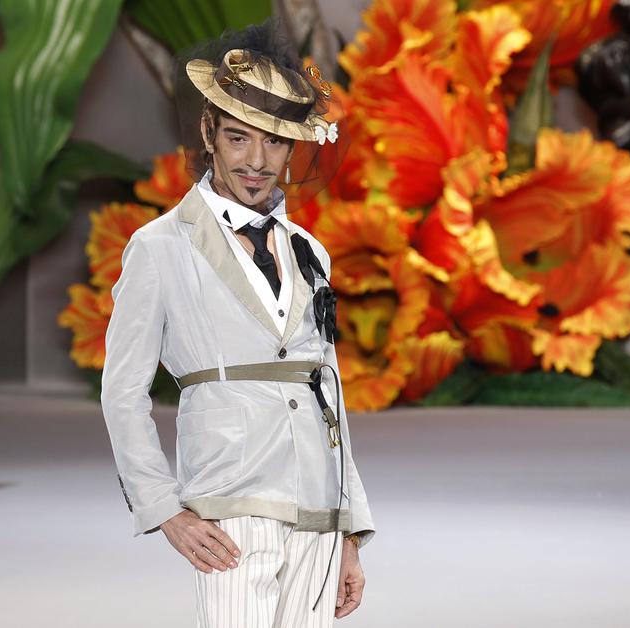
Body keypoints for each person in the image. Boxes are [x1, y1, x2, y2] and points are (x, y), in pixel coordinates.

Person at [101, 22, 373, 628]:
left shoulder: (310, 252)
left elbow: (328, 388)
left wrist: (351, 527)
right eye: (238, 137)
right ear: (209, 134)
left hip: (317, 503)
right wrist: (163, 508)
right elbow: (122, 393)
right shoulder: (160, 246)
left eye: (274, 142)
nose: (256, 160)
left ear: (293, 148)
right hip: (230, 499)